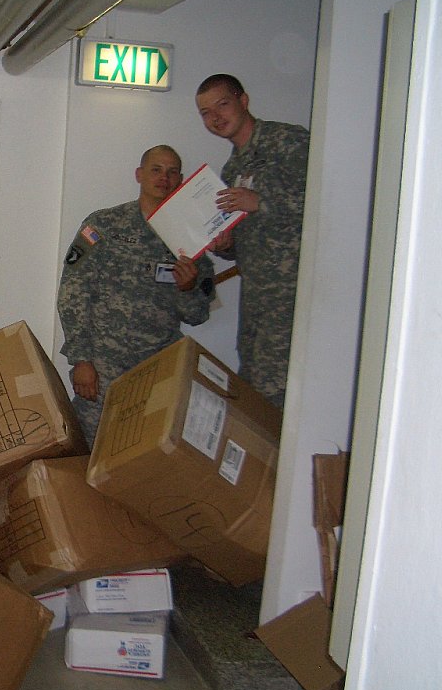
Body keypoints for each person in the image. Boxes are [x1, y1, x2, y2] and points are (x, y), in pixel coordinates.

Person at [58, 145, 215, 445]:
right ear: (139, 174)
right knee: (84, 453)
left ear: (180, 180)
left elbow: (197, 315)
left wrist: (187, 289)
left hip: (158, 369)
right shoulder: (103, 225)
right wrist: (81, 360)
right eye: (156, 169)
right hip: (103, 368)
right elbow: (73, 291)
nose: (163, 177)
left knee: (142, 458)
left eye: (172, 172)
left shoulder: (190, 239)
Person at [195, 73, 309, 408]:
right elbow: (249, 238)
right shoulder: (232, 170)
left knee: (283, 397)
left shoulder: (289, 141)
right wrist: (226, 244)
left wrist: (260, 202)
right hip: (258, 301)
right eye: (205, 113)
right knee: (257, 391)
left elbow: (328, 203)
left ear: (243, 101)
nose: (215, 117)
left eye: (222, 105)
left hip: (294, 297)